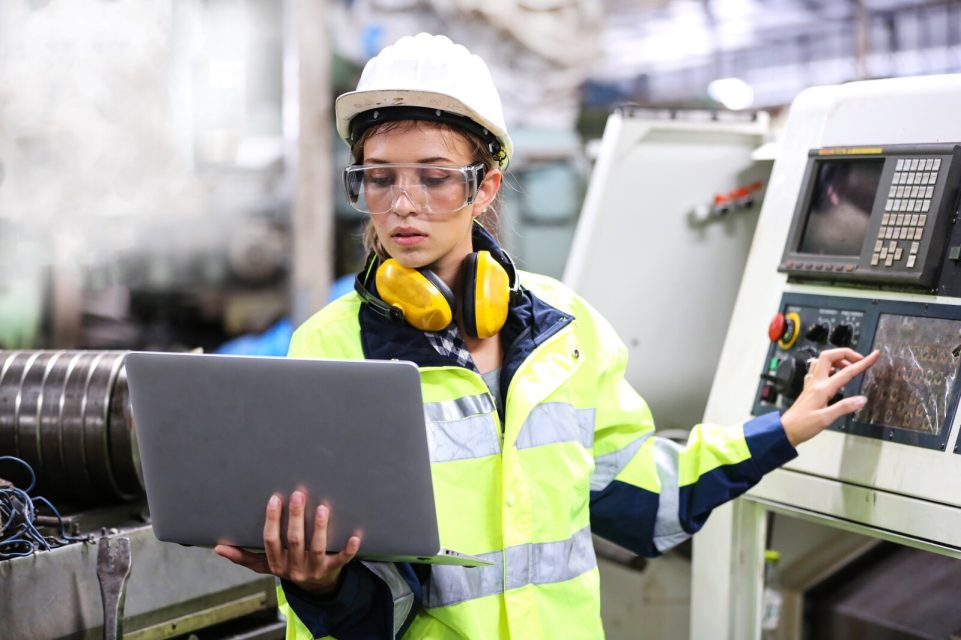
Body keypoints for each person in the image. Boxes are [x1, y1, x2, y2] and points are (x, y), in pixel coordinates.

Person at [214, 33, 880, 639]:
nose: (403, 204)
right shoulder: (330, 348)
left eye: (435, 177)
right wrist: (319, 583)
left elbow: (647, 500)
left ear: (484, 187)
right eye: (379, 178)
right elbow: (370, 600)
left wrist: (782, 428)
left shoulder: (565, 328)